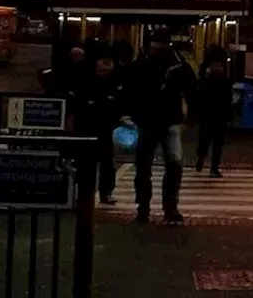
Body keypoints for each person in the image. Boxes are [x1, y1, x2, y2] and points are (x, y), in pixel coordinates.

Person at [126, 29, 197, 225]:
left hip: (151, 120)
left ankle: (146, 208)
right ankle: (167, 208)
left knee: (146, 166)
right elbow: (192, 90)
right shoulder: (178, 65)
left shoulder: (141, 64)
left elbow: (129, 90)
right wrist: (191, 114)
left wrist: (131, 114)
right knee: (172, 165)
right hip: (165, 119)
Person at [66, 43, 127, 204]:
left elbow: (120, 102)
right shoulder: (84, 78)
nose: (105, 67)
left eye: (109, 63)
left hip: (105, 126)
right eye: (103, 63)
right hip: (86, 124)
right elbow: (74, 102)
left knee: (106, 160)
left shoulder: (115, 79)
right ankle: (84, 192)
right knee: (86, 161)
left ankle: (104, 191)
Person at [194, 45, 232, 177]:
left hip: (208, 112)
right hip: (218, 113)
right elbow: (227, 96)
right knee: (216, 143)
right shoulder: (223, 74)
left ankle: (201, 160)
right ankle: (213, 168)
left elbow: (199, 91)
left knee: (205, 140)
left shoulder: (205, 71)